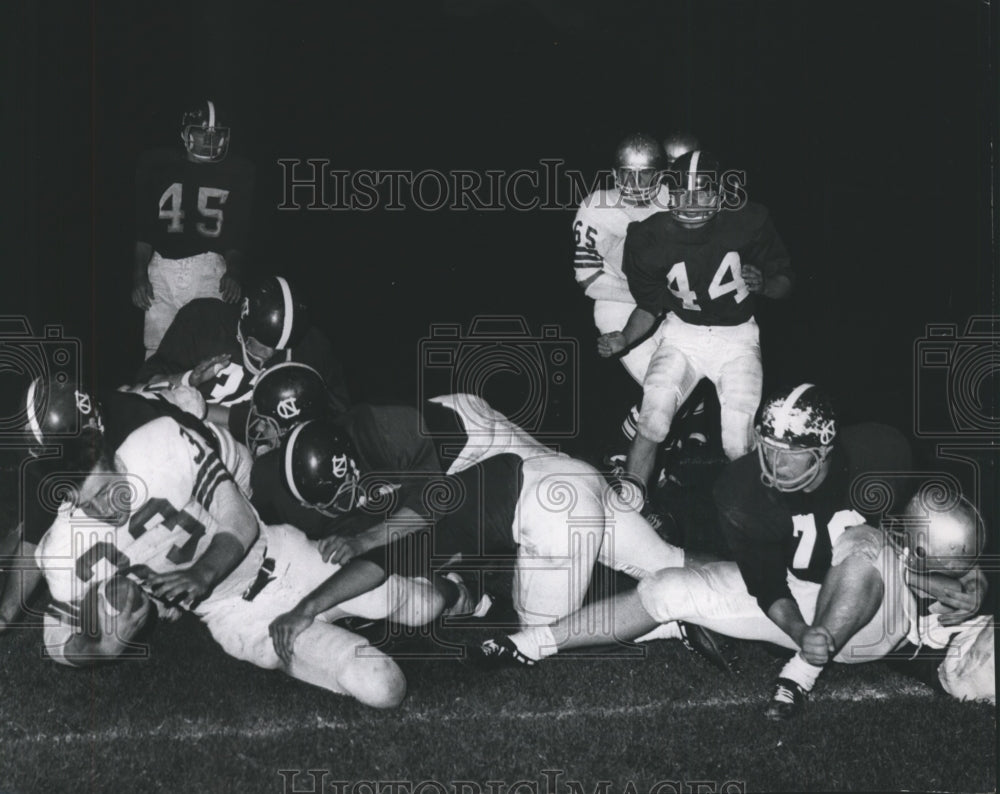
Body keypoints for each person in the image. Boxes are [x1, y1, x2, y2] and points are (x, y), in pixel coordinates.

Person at [475, 384, 993, 717]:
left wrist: (960, 586)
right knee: (665, 588)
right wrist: (799, 633)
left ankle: (803, 675)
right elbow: (768, 584)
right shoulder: (739, 491)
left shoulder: (880, 454)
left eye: (790, 456)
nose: (774, 465)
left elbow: (905, 552)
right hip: (803, 603)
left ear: (826, 453)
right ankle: (532, 643)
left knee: (864, 543)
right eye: (767, 448)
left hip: (877, 615)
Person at [26, 378, 439, 709]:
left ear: (108, 448)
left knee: (426, 606)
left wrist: (200, 573)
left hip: (285, 555)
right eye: (85, 501)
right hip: (240, 619)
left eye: (104, 489)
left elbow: (240, 520)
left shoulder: (160, 442)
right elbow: (58, 643)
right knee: (383, 686)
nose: (104, 509)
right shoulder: (65, 543)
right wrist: (102, 648)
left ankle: (459, 593)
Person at [269, 417, 686, 650]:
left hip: (546, 508)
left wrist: (309, 607)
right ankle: (742, 588)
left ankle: (671, 623)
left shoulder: (384, 524)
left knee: (539, 640)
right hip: (566, 472)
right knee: (673, 563)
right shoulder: (404, 469)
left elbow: (375, 562)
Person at [599, 150, 793, 499]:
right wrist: (624, 338)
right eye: (682, 193)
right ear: (669, 194)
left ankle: (750, 517)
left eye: (702, 192)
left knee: (738, 439)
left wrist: (764, 283)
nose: (691, 203)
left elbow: (786, 283)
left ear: (719, 194)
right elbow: (649, 305)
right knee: (652, 419)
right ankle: (631, 508)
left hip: (737, 338)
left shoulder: (749, 222)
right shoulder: (647, 236)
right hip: (682, 334)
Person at [0, 375, 251, 632]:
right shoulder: (54, 457)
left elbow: (209, 479)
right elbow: (34, 535)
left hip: (221, 461)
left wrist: (203, 567)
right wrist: (5, 615)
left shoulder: (141, 422)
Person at [573, 133, 707, 466]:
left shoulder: (676, 198)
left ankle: (674, 433)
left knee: (688, 376)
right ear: (613, 173)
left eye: (644, 173)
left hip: (669, 301)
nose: (634, 183)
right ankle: (635, 442)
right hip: (619, 302)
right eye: (625, 174)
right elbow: (588, 279)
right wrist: (650, 295)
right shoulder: (596, 207)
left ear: (662, 174)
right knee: (661, 388)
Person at [135, 275, 349, 445]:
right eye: (263, 344)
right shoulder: (202, 320)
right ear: (244, 325)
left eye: (279, 349)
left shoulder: (310, 345)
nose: (269, 354)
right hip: (186, 431)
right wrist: (188, 379)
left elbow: (337, 412)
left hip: (251, 452)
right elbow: (142, 389)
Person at [132, 100, 255, 359]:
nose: (209, 140)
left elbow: (237, 236)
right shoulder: (158, 166)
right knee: (156, 354)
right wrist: (139, 275)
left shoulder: (236, 173)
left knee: (211, 352)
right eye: (201, 132)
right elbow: (144, 232)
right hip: (161, 268)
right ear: (186, 134)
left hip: (208, 267)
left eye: (216, 133)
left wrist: (233, 271)